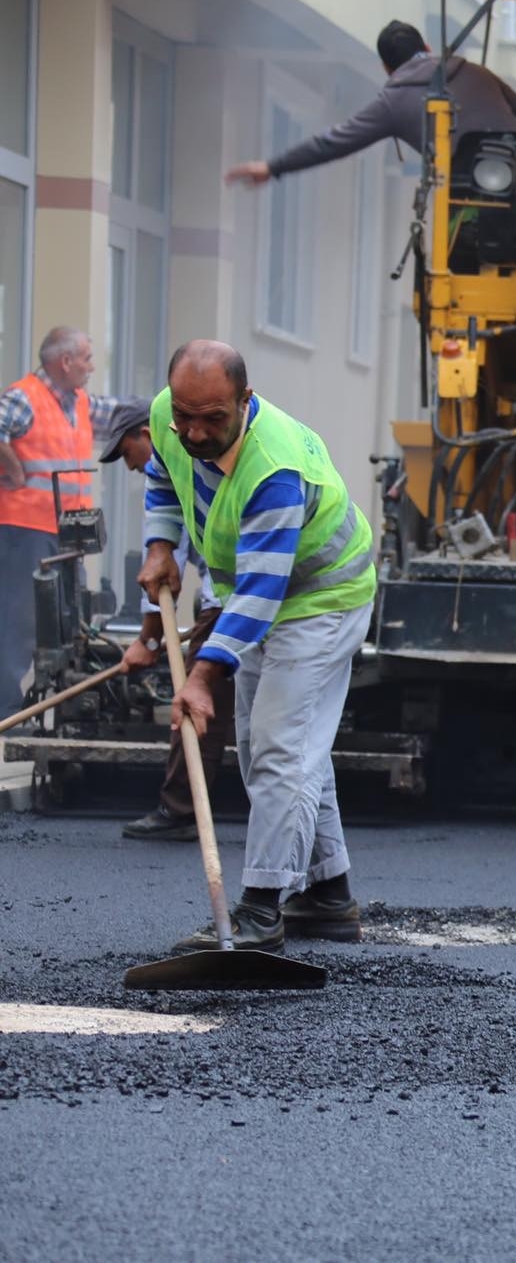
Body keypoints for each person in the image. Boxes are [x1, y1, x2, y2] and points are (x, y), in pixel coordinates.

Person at [129, 341, 377, 954]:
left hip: (323, 597)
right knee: (285, 748)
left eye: (212, 418)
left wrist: (201, 676)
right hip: (260, 590)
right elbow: (164, 474)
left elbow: (264, 589)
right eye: (185, 416)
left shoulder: (274, 469)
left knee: (276, 747)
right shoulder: (172, 415)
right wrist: (161, 544)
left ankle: (261, 912)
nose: (194, 430)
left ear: (245, 399)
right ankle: (328, 895)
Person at [97, 400, 234, 842]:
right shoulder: (194, 470)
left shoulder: (176, 476)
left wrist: (147, 643)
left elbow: (162, 580)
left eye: (127, 453)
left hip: (231, 601)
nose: (131, 466)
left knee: (195, 697)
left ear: (147, 435)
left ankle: (179, 811)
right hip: (227, 597)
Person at [223, 21, 516, 186]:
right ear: (427, 47)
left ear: (387, 68)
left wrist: (272, 166)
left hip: (476, 206)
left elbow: (332, 143)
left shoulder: (394, 100)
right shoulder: (476, 71)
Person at [1, 327, 119, 706]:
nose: (91, 365)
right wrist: (13, 469)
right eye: (86, 357)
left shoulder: (80, 403)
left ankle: (64, 706)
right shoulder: (25, 398)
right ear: (65, 362)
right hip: (25, 531)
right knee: (19, 622)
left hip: (68, 535)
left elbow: (121, 414)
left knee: (70, 622)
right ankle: (4, 710)